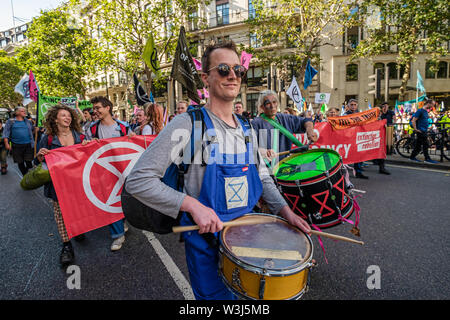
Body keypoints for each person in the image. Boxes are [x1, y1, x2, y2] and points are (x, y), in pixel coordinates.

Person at [125, 41, 311, 300]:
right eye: (223, 69)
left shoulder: (247, 129)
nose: (233, 75)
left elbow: (262, 176)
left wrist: (285, 211)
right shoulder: (187, 124)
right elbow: (138, 180)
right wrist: (192, 205)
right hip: (205, 243)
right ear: (205, 78)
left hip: (248, 240)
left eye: (238, 70)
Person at [35, 104, 89, 267]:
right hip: (57, 184)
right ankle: (66, 246)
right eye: (63, 115)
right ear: (55, 119)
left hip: (77, 182)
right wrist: (40, 155)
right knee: (60, 214)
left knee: (78, 209)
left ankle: (78, 229)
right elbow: (40, 161)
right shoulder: (48, 138)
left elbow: (87, 157)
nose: (68, 118)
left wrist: (91, 145)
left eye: (69, 115)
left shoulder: (79, 136)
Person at [88, 96, 134, 250]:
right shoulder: (91, 128)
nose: (95, 111)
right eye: (94, 108)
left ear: (108, 108)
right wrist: (86, 144)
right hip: (103, 172)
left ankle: (123, 220)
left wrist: (133, 139)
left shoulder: (123, 127)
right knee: (109, 202)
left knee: (125, 200)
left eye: (98, 108)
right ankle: (117, 236)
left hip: (122, 170)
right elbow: (85, 150)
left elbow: (133, 145)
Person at [251, 90, 318, 163]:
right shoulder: (256, 123)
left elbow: (306, 120)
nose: (272, 106)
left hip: (285, 165)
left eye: (274, 102)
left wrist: (310, 131)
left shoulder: (285, 118)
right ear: (262, 107)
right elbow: (251, 146)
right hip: (266, 169)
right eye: (268, 103)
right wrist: (264, 152)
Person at [2, 106, 36, 176]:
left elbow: (32, 131)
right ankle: (25, 176)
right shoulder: (10, 121)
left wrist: (36, 130)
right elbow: (6, 133)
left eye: (24, 111)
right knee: (20, 162)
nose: (24, 112)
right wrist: (6, 143)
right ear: (17, 113)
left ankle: (28, 175)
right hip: (16, 145)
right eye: (22, 111)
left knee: (29, 162)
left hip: (28, 145)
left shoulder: (28, 121)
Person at [344, 99, 369, 179]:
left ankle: (358, 171)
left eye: (355, 104)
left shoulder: (360, 114)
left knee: (359, 154)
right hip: (349, 138)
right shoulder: (345, 115)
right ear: (348, 106)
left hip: (358, 137)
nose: (353, 106)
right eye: (351, 104)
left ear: (357, 105)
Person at [409, 99, 439, 163]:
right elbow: (413, 120)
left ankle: (412, 157)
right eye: (432, 104)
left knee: (418, 146)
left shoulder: (426, 111)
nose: (433, 106)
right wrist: (416, 129)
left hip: (424, 130)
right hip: (420, 130)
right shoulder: (420, 111)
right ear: (428, 103)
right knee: (425, 144)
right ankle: (427, 159)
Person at [374, 102, 395, 175]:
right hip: (376, 136)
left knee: (381, 150)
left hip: (383, 134)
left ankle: (381, 167)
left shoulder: (382, 116)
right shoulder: (376, 117)